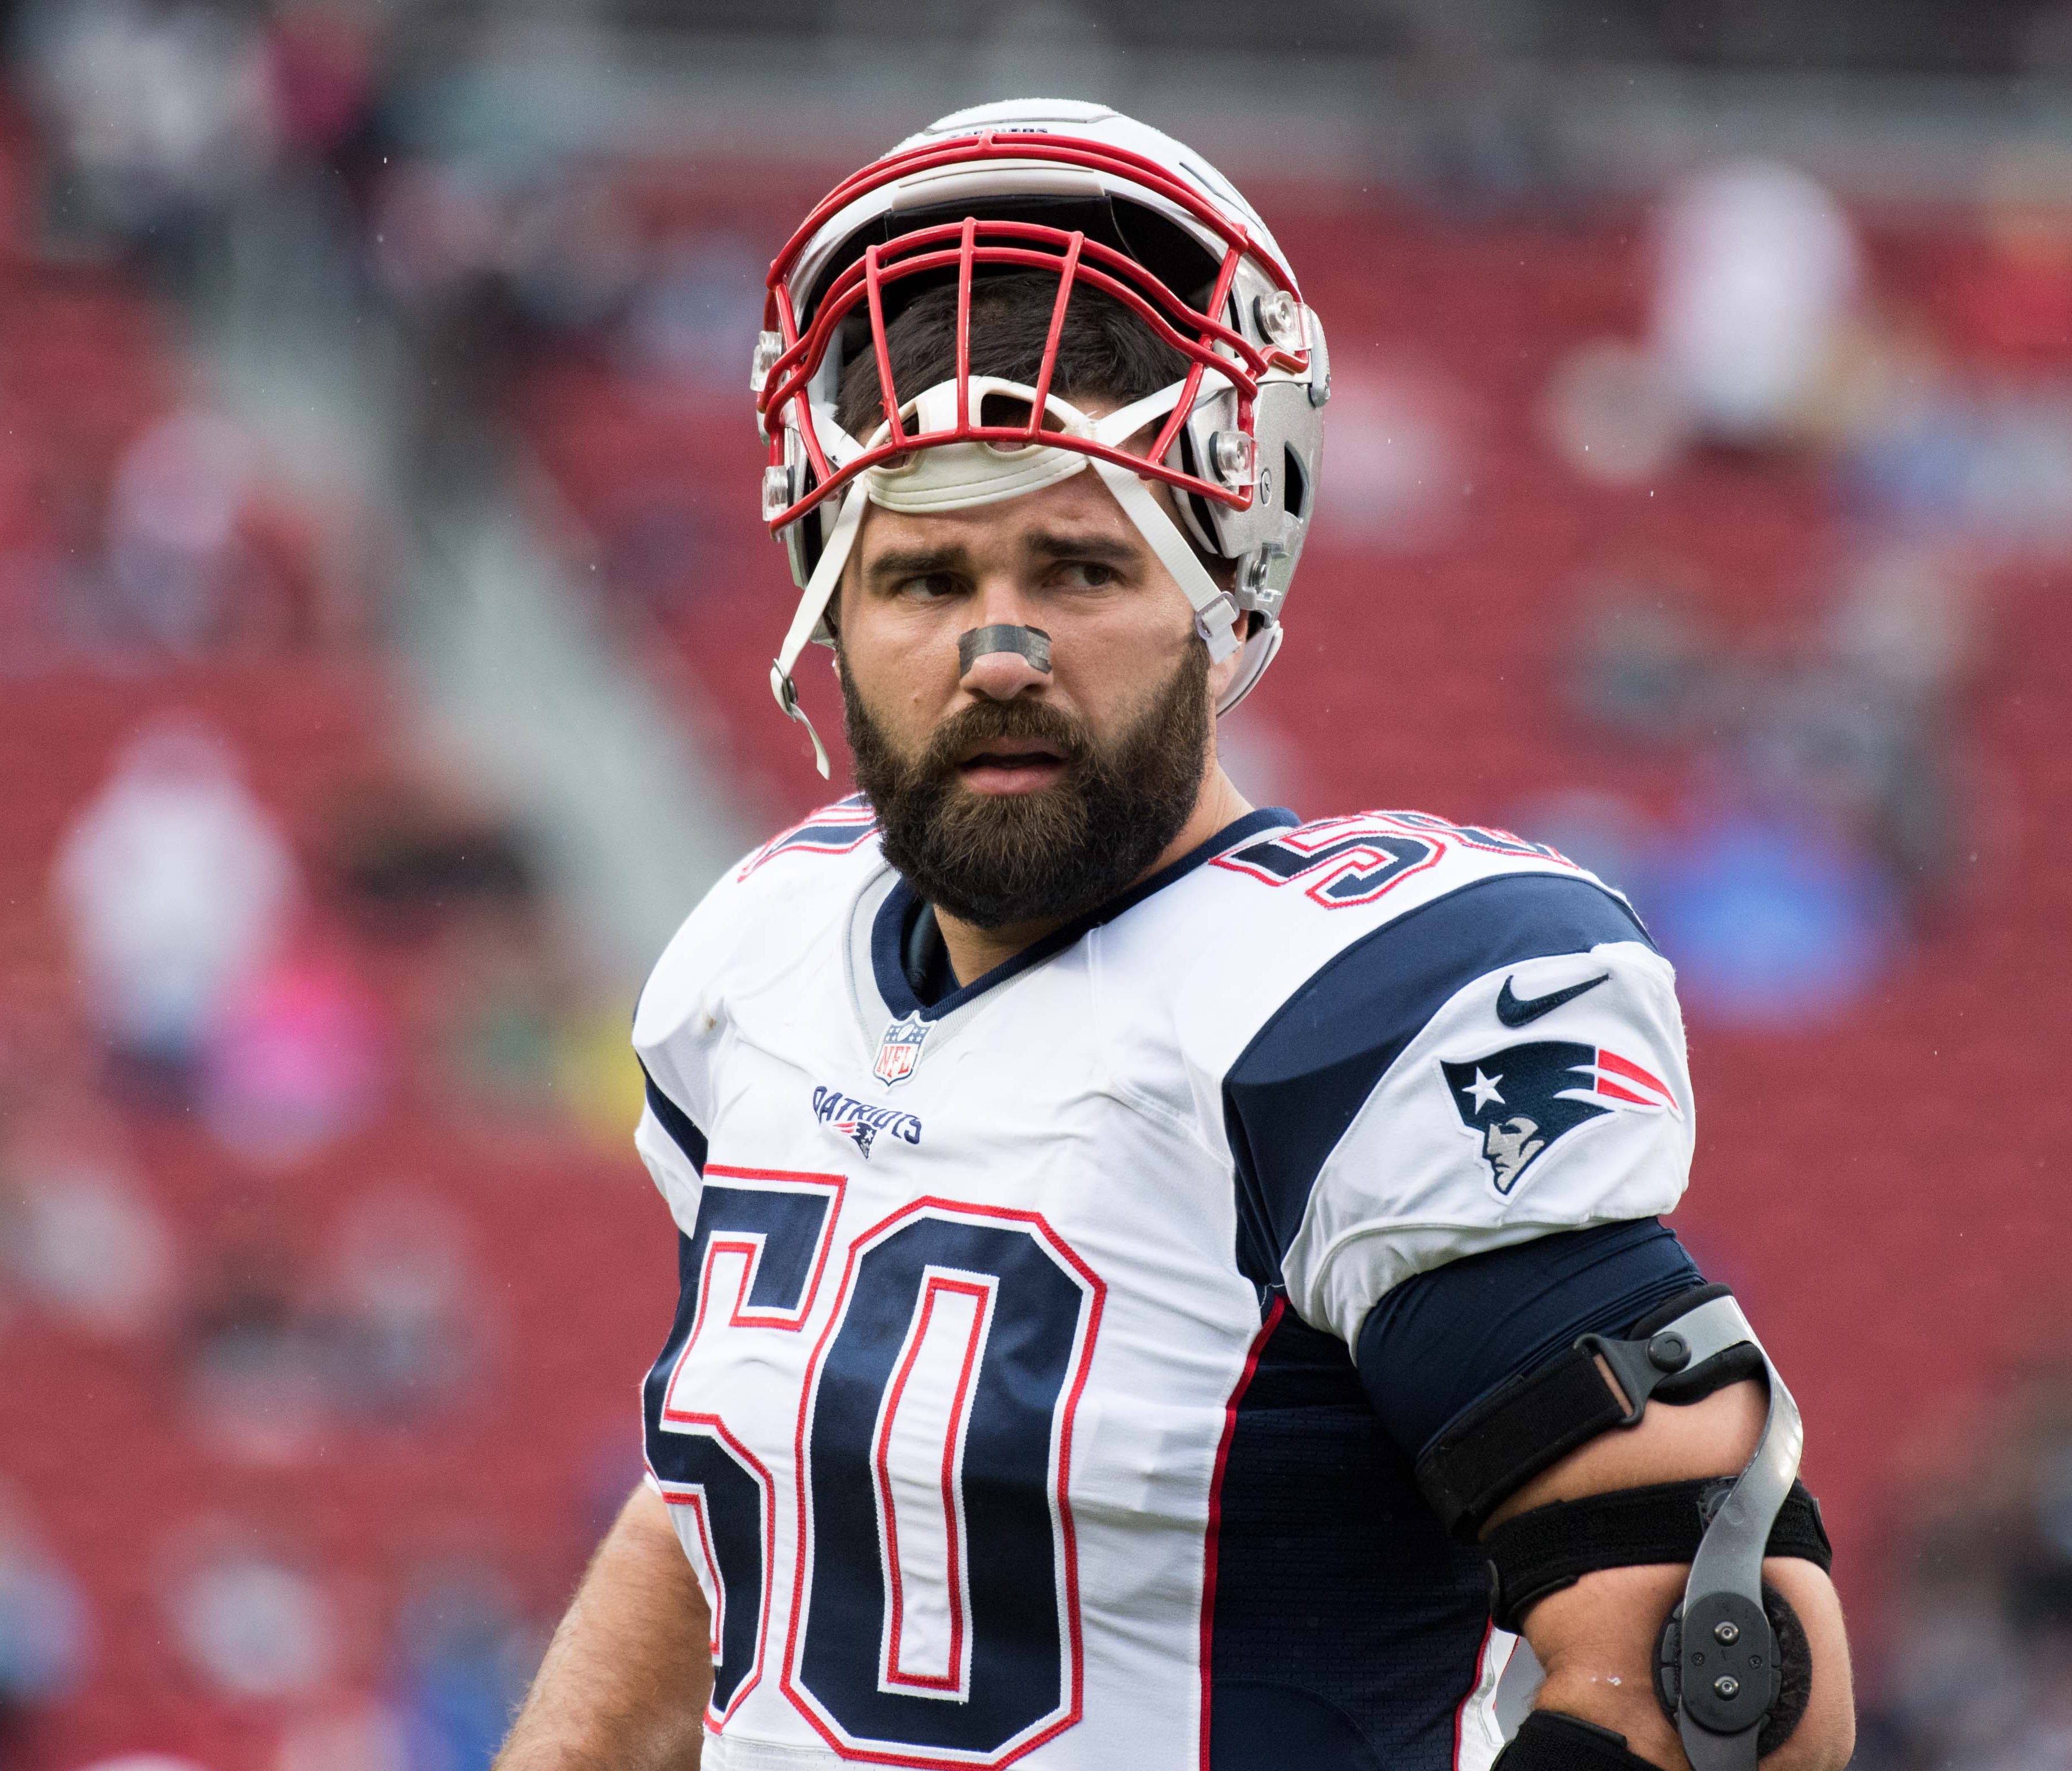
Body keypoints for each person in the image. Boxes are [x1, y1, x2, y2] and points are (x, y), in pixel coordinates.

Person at [497, 102, 1856, 1771]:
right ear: (825, 619)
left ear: (1222, 599)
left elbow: (1716, 1669)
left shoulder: (1362, 1006)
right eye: (925, 579)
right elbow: (742, 1516)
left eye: (1076, 567)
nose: (1000, 649)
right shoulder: (759, 964)